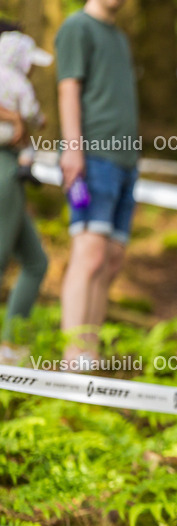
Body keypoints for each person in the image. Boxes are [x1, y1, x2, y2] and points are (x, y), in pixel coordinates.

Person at [55, 0, 138, 368]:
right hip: (93, 157)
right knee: (88, 254)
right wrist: (73, 149)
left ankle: (90, 354)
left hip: (125, 162)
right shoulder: (77, 27)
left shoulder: (119, 38)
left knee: (111, 259)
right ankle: (73, 358)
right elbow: (68, 88)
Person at [0, 31, 52, 364]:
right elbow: (36, 117)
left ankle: (11, 345)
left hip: (13, 165)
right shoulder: (17, 83)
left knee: (36, 262)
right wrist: (22, 117)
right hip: (5, 167)